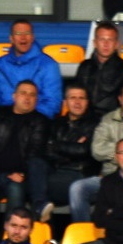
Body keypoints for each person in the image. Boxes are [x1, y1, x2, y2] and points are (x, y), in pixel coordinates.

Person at [71, 79, 123, 222]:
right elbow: (96, 149)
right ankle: (84, 234)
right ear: (120, 99)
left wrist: (118, 152)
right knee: (78, 188)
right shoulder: (108, 119)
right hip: (107, 177)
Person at [0, 80, 51, 216]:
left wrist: (22, 174)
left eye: (32, 95)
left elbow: (35, 152)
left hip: (18, 177)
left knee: (15, 187)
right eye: (23, 93)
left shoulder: (40, 121)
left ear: (36, 100)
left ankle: (11, 235)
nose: (27, 97)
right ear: (14, 96)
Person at [0, 20, 63, 120]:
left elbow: (52, 102)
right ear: (11, 38)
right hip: (3, 122)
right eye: (18, 33)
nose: (23, 37)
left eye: (27, 33)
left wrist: (27, 120)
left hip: (35, 123)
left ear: (33, 37)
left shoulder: (48, 65)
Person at [41, 82, 100, 210]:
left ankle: (40, 205)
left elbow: (85, 150)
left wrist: (56, 146)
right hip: (56, 172)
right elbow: (46, 151)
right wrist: (72, 149)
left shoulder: (96, 124)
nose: (77, 102)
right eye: (73, 98)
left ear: (87, 102)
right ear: (65, 102)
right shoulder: (55, 124)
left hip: (80, 174)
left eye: (81, 98)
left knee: (36, 188)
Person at [74, 21, 123, 117]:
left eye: (110, 40)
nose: (106, 44)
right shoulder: (84, 67)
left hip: (112, 122)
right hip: (85, 120)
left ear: (116, 44)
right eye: (102, 39)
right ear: (95, 43)